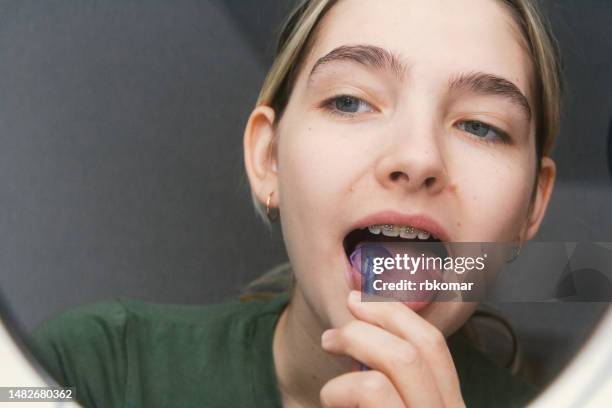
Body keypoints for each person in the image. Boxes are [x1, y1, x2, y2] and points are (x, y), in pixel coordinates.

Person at [28, 0, 563, 406]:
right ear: (269, 159)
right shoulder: (86, 366)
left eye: (481, 126)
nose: (419, 157)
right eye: (350, 101)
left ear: (531, 208)